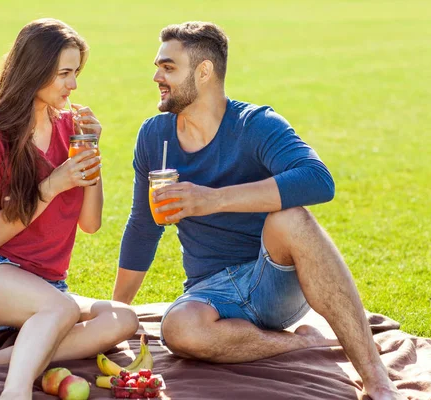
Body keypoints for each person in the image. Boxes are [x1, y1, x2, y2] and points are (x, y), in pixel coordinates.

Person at [113, 21, 404, 400]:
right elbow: (142, 227)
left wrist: (213, 199)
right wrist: (116, 314)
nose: (156, 76)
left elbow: (318, 180)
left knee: (292, 218)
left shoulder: (255, 125)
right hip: (210, 292)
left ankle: (377, 381)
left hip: (273, 281)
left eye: (168, 67)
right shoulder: (154, 136)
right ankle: (303, 344)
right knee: (178, 330)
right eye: (158, 66)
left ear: (204, 72)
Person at [0, 18, 139, 399]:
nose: (74, 85)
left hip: (49, 285)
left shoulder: (72, 128)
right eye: (64, 74)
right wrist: (52, 185)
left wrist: (90, 152)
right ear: (34, 71)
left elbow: (91, 223)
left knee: (122, 318)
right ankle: (15, 392)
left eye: (76, 73)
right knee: (59, 309)